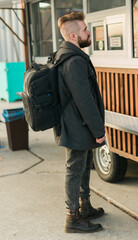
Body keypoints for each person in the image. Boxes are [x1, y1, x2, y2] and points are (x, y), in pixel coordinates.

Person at [53, 12, 105, 233]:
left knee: (83, 167)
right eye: (85, 29)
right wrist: (98, 129)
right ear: (73, 35)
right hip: (76, 125)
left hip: (76, 123)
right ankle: (72, 218)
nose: (88, 32)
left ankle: (84, 207)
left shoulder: (68, 54)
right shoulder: (73, 60)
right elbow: (84, 99)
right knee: (75, 169)